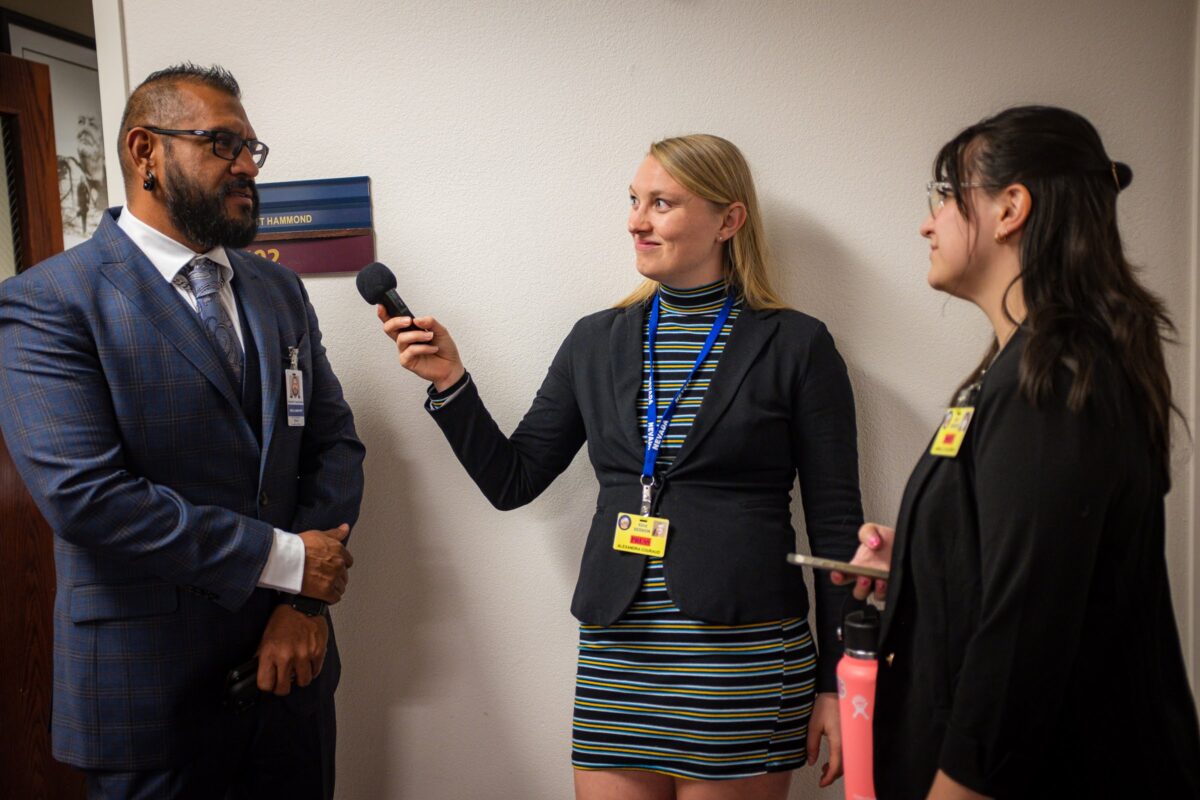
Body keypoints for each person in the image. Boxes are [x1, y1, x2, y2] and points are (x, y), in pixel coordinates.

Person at [378, 134, 862, 799]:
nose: (636, 219)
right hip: (620, 653)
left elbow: (838, 527)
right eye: (635, 200)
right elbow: (513, 480)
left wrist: (838, 679)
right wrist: (451, 383)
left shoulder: (797, 343)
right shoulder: (595, 339)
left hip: (740, 659)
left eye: (662, 203)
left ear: (729, 220)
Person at [0, 63, 365, 800]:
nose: (246, 169)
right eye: (221, 144)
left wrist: (302, 606)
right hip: (150, 697)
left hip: (291, 673)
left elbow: (334, 449)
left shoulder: (277, 289)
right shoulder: (47, 304)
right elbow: (85, 496)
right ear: (145, 151)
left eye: (253, 151)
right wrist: (286, 561)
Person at [834, 105, 1200, 799]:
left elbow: (1024, 635)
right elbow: (1015, 551)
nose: (927, 222)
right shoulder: (1017, 371)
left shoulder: (1052, 379)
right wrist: (915, 554)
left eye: (944, 197)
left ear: (1010, 209)